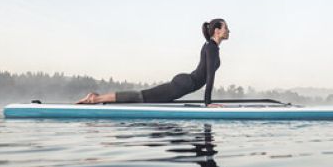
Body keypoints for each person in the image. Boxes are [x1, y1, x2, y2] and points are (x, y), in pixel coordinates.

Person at [76, 19, 229, 107]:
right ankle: (95, 99)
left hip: (185, 84)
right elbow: (209, 77)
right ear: (217, 30)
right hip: (184, 84)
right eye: (226, 28)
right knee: (141, 97)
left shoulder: (211, 47)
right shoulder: (211, 47)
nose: (228, 31)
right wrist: (208, 103)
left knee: (142, 96)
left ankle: (97, 97)